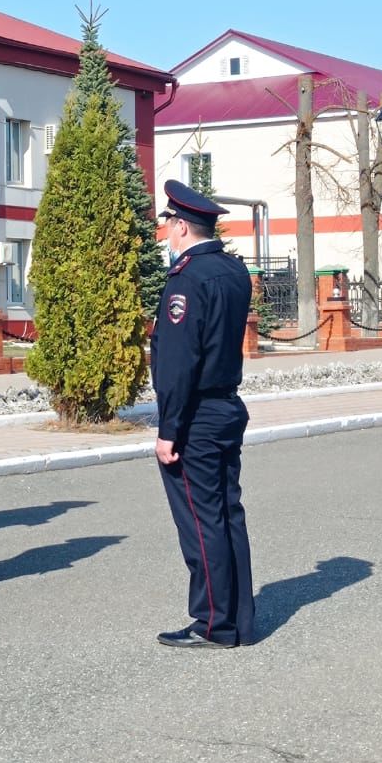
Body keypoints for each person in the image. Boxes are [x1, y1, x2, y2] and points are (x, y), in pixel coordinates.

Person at [151, 180, 255, 649]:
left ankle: (213, 622)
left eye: (169, 225)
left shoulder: (187, 278)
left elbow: (179, 363)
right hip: (226, 404)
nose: (167, 235)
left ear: (181, 226)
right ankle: (238, 618)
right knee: (228, 514)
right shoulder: (233, 270)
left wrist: (169, 429)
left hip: (197, 414)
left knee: (201, 520)